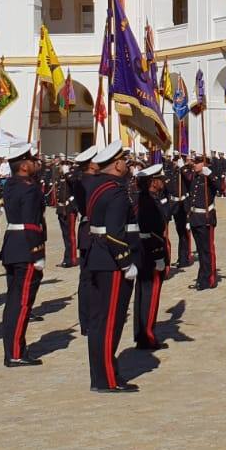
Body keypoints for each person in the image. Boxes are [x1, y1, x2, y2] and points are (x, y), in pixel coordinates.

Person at [82, 142, 138, 392]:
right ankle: (106, 379)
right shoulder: (115, 191)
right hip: (112, 261)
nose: (126, 164)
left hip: (97, 255)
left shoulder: (95, 184)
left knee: (99, 320)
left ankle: (102, 374)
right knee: (110, 322)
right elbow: (115, 233)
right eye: (124, 160)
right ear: (116, 164)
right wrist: (126, 262)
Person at [0, 144, 47, 365]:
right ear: (25, 166)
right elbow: (31, 223)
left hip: (12, 245)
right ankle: (16, 353)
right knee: (22, 303)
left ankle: (13, 349)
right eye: (32, 160)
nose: (36, 163)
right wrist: (37, 252)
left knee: (13, 301)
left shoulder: (11, 184)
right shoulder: (29, 188)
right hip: (26, 248)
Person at [132, 163, 172, 351]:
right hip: (150, 252)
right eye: (160, 180)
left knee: (142, 293)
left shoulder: (146, 198)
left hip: (142, 253)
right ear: (153, 182)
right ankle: (147, 335)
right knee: (150, 295)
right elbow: (151, 232)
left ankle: (141, 333)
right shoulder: (148, 201)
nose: (163, 183)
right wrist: (158, 256)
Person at [186, 154, 223, 290]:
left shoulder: (210, 177)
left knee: (207, 250)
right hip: (195, 218)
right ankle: (202, 277)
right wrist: (188, 218)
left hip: (206, 219)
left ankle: (210, 279)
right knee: (201, 251)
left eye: (197, 163)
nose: (194, 165)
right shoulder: (196, 178)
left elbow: (222, 188)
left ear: (204, 164)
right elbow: (191, 197)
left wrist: (211, 175)